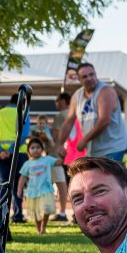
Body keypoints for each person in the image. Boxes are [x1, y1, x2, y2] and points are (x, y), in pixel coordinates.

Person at [57, 63, 127, 164]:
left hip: (113, 147)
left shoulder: (105, 91)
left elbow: (104, 120)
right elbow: (69, 121)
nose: (89, 78)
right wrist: (60, 144)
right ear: (79, 79)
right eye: (84, 76)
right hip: (94, 150)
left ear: (96, 74)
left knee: (107, 178)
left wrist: (84, 140)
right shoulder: (77, 96)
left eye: (91, 75)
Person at [0, 94, 31, 222]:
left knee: (4, 184)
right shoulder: (23, 113)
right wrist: (10, 150)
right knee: (18, 185)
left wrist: (1, 150)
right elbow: (23, 135)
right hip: (19, 153)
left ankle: (0, 216)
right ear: (23, 103)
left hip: (1, 155)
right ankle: (18, 215)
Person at [18, 137, 59, 235]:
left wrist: (62, 154)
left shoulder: (47, 160)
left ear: (42, 149)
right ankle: (38, 229)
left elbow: (59, 162)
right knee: (36, 212)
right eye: (32, 148)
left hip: (45, 189)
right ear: (28, 151)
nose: (35, 149)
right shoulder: (27, 164)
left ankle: (43, 227)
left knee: (47, 208)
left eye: (38, 147)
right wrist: (19, 189)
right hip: (33, 191)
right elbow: (23, 177)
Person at [51, 93, 74, 222]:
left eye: (57, 100)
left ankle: (62, 212)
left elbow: (55, 137)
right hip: (74, 153)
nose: (56, 103)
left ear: (64, 101)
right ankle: (74, 213)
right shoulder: (75, 114)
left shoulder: (62, 115)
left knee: (61, 184)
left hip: (59, 155)